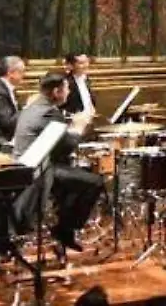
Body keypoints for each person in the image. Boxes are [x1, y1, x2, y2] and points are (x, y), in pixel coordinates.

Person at [12, 72, 101, 252]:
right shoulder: (50, 113)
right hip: (38, 170)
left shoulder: (32, 107)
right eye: (66, 89)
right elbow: (65, 147)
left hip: (27, 163)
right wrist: (78, 128)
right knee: (94, 182)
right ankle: (64, 229)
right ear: (56, 91)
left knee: (74, 179)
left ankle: (62, 222)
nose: (68, 93)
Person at [61, 52, 96, 118]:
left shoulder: (86, 79)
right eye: (81, 63)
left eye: (87, 62)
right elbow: (60, 107)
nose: (86, 65)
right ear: (71, 66)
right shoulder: (65, 83)